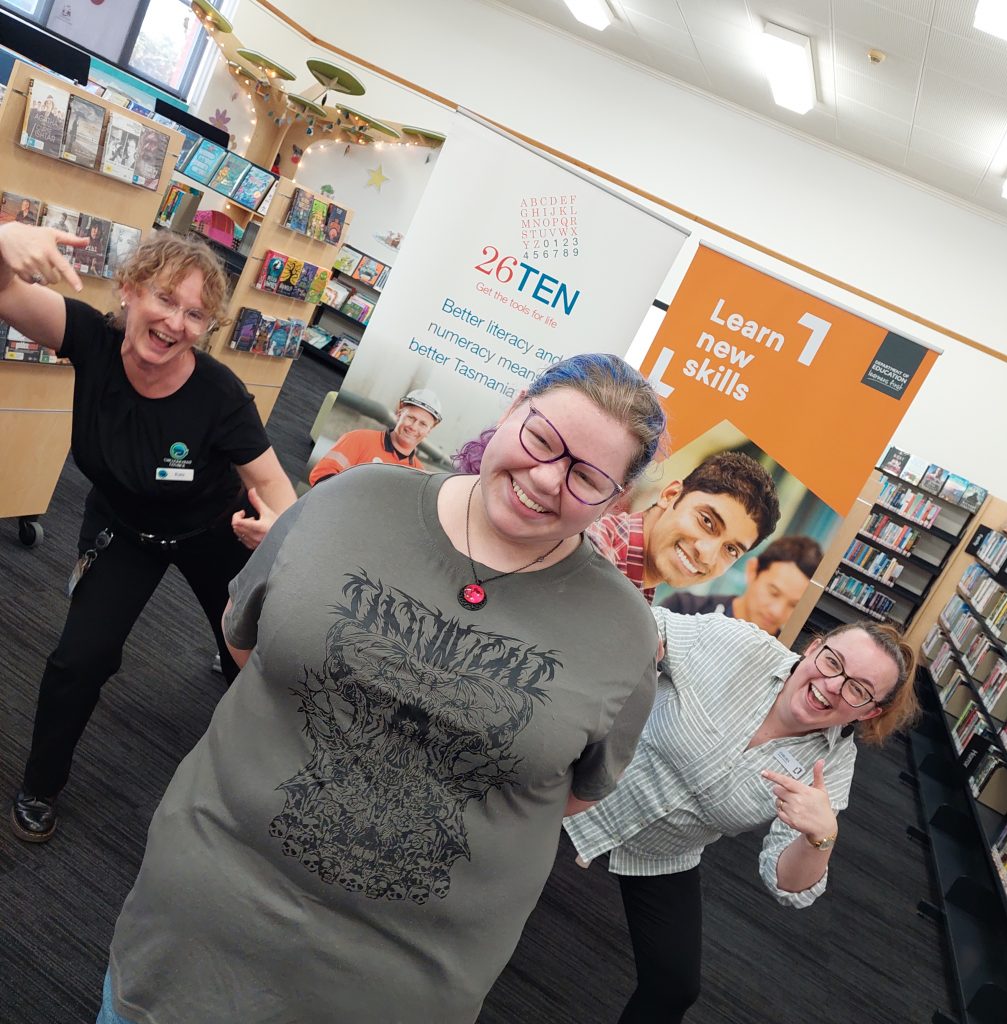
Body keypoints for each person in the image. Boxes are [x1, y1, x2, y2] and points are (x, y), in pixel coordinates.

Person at [96, 354, 666, 1024]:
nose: (546, 479)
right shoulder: (349, 501)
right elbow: (249, 643)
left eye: (588, 477)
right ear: (514, 408)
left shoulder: (624, 635)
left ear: (617, 499)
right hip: (201, 921)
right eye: (542, 440)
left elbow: (570, 795)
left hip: (398, 984)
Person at [0, 222, 296, 843]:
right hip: (124, 529)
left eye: (195, 314)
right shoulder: (90, 337)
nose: (175, 323)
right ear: (131, 290)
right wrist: (4, 239)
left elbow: (273, 490)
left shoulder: (221, 396)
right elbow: (6, 293)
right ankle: (41, 784)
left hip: (215, 530)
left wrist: (277, 529)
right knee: (78, 661)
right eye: (165, 298)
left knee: (258, 658)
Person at [564, 610, 919, 1023]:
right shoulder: (738, 645)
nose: (832, 686)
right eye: (832, 662)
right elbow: (644, 621)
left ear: (869, 713)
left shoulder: (832, 766)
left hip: (659, 853)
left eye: (858, 689)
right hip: (578, 791)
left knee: (675, 986)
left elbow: (784, 882)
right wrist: (645, 645)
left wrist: (820, 838)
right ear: (813, 648)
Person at [585, 450, 780, 603]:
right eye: (707, 521)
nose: (707, 555)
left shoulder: (637, 591)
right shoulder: (594, 557)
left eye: (730, 549)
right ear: (670, 495)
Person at [660, 533, 823, 636]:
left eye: (794, 605)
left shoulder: (786, 658)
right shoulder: (683, 611)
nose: (777, 612)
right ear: (753, 571)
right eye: (773, 592)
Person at [308, 387, 443, 485]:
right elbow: (320, 475)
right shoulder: (359, 439)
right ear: (399, 414)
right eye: (411, 418)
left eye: (423, 424)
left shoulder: (419, 475)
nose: (413, 427)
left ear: (429, 431)